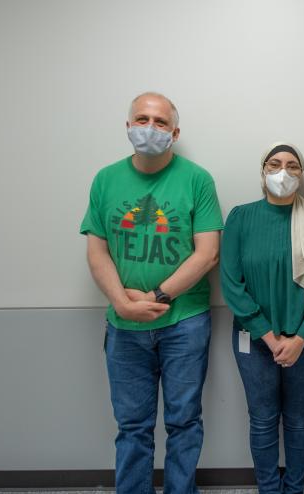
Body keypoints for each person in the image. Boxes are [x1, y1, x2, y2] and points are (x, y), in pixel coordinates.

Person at [80, 92, 223, 493]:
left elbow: (208, 253)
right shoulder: (105, 180)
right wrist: (124, 303)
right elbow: (97, 252)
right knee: (132, 427)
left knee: (184, 422)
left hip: (185, 323)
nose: (150, 128)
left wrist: (157, 296)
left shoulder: (197, 179)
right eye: (142, 119)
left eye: (160, 122)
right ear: (128, 127)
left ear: (175, 132)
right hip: (123, 327)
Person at [220, 143, 304, 494]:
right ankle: (269, 489)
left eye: (291, 165)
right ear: (263, 171)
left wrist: (301, 336)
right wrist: (269, 337)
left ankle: (296, 487)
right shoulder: (240, 217)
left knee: (299, 418)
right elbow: (231, 282)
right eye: (275, 164)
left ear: (301, 174)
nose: (283, 171)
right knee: (262, 419)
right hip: (253, 339)